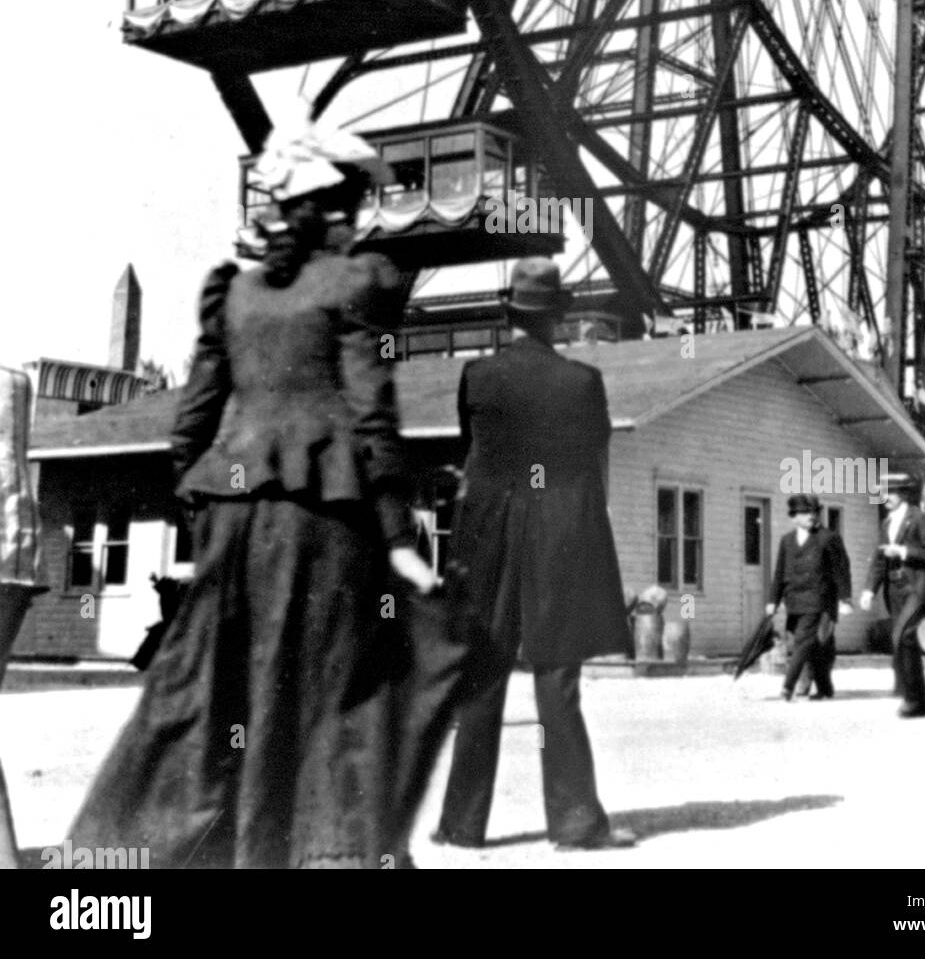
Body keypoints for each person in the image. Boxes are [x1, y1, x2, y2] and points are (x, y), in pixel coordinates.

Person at [67, 124, 441, 869]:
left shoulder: (232, 292)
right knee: (333, 687)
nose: (363, 216)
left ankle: (107, 870)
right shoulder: (359, 281)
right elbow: (371, 412)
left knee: (204, 692)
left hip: (232, 515)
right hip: (322, 515)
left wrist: (202, 509)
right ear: (335, 207)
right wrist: (400, 537)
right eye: (357, 201)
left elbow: (193, 421)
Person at [433, 257, 635, 852]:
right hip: (560, 534)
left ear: (510, 316)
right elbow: (594, 456)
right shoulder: (583, 383)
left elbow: (472, 453)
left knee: (483, 675)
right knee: (557, 675)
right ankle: (574, 825)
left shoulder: (477, 376)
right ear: (558, 320)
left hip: (490, 533)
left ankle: (461, 826)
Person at [859, 473, 925, 718]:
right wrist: (868, 590)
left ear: (904, 493)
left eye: (892, 491)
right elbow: (878, 560)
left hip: (917, 587)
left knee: (902, 635)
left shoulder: (920, 518)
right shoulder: (886, 523)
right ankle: (920, 703)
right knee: (905, 641)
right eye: (883, 491)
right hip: (894, 589)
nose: (885, 497)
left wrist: (903, 551)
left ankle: (911, 699)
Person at [766, 494, 852, 701]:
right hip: (794, 601)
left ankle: (788, 687)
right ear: (793, 517)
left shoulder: (828, 538)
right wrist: (772, 601)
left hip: (819, 601)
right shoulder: (786, 541)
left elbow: (841, 570)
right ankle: (825, 687)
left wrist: (845, 598)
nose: (811, 516)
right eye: (805, 513)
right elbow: (779, 573)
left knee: (803, 643)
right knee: (815, 645)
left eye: (814, 512)